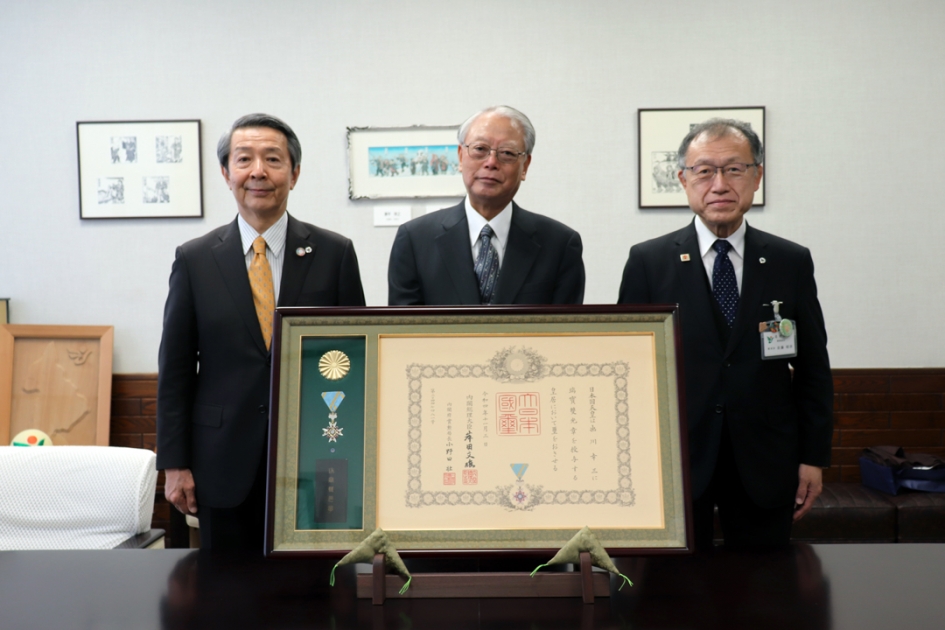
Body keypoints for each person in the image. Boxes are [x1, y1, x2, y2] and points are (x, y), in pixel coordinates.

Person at [618, 118, 833, 549]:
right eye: (704, 170)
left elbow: (813, 368)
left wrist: (813, 457)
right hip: (677, 461)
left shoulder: (790, 261)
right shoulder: (648, 262)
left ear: (756, 178)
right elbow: (630, 374)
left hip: (767, 460)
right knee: (674, 597)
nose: (719, 184)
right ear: (683, 179)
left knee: (767, 595)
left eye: (734, 169)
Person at [157, 113, 365, 552]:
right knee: (225, 596)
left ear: (295, 172)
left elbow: (355, 361)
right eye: (244, 159)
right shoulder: (195, 260)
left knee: (315, 593)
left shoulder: (334, 253)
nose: (258, 171)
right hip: (221, 459)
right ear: (226, 173)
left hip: (318, 456)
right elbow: (175, 369)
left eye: (273, 159)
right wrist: (174, 464)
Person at [387, 105, 585, 305]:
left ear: (525, 166)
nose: (491, 162)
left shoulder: (560, 245)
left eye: (507, 153)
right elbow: (402, 333)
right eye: (480, 149)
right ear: (461, 157)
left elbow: (564, 333)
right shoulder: (414, 240)